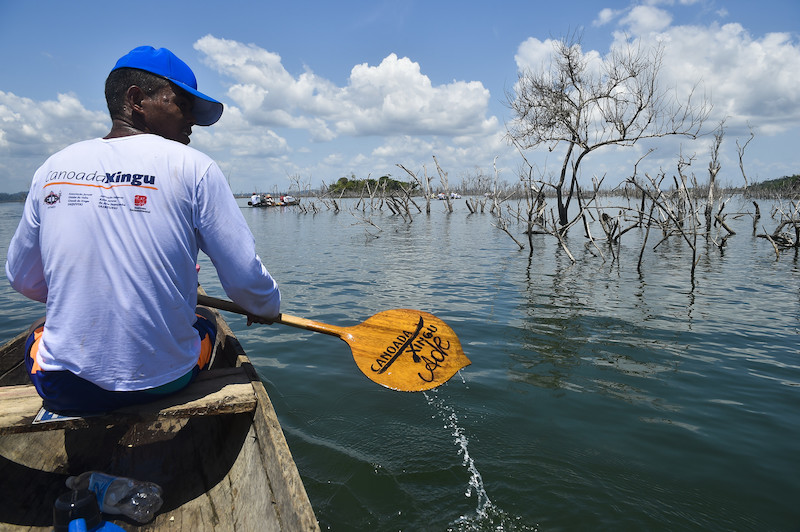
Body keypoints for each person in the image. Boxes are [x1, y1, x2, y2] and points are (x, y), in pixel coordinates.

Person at [5, 46, 280, 415]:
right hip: (163, 383)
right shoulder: (195, 167)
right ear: (137, 99)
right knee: (209, 321)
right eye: (182, 104)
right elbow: (246, 279)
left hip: (64, 387)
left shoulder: (51, 168)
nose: (192, 121)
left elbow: (23, 280)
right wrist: (265, 306)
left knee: (41, 332)